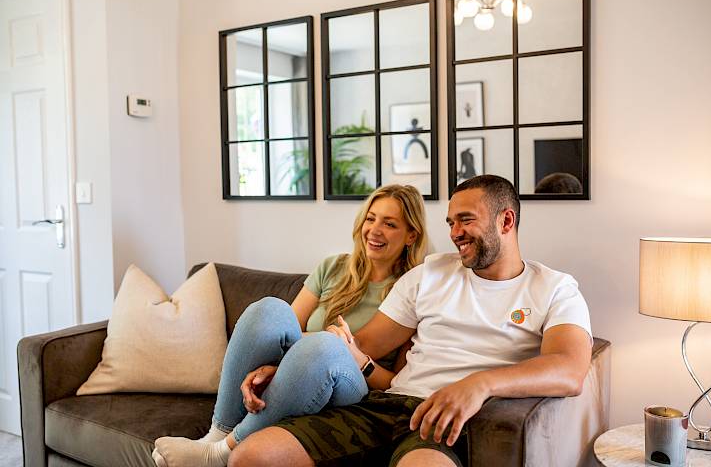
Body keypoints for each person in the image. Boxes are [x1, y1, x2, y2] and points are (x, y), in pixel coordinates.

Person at [225, 174, 593, 467]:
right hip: (385, 407)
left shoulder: (554, 288)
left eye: (466, 220)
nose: (454, 233)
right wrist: (286, 370)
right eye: (450, 222)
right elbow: (360, 347)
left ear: (506, 220)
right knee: (251, 457)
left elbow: (569, 369)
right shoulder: (430, 273)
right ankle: (220, 438)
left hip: (446, 420)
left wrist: (480, 384)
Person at [152, 184, 428, 467]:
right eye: (371, 218)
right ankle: (216, 434)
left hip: (357, 391)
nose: (375, 229)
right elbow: (287, 330)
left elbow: (396, 383)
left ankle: (219, 453)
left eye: (390, 223)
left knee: (325, 347)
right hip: (301, 371)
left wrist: (349, 355)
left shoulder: (414, 291)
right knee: (269, 309)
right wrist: (279, 365)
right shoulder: (333, 267)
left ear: (411, 235)